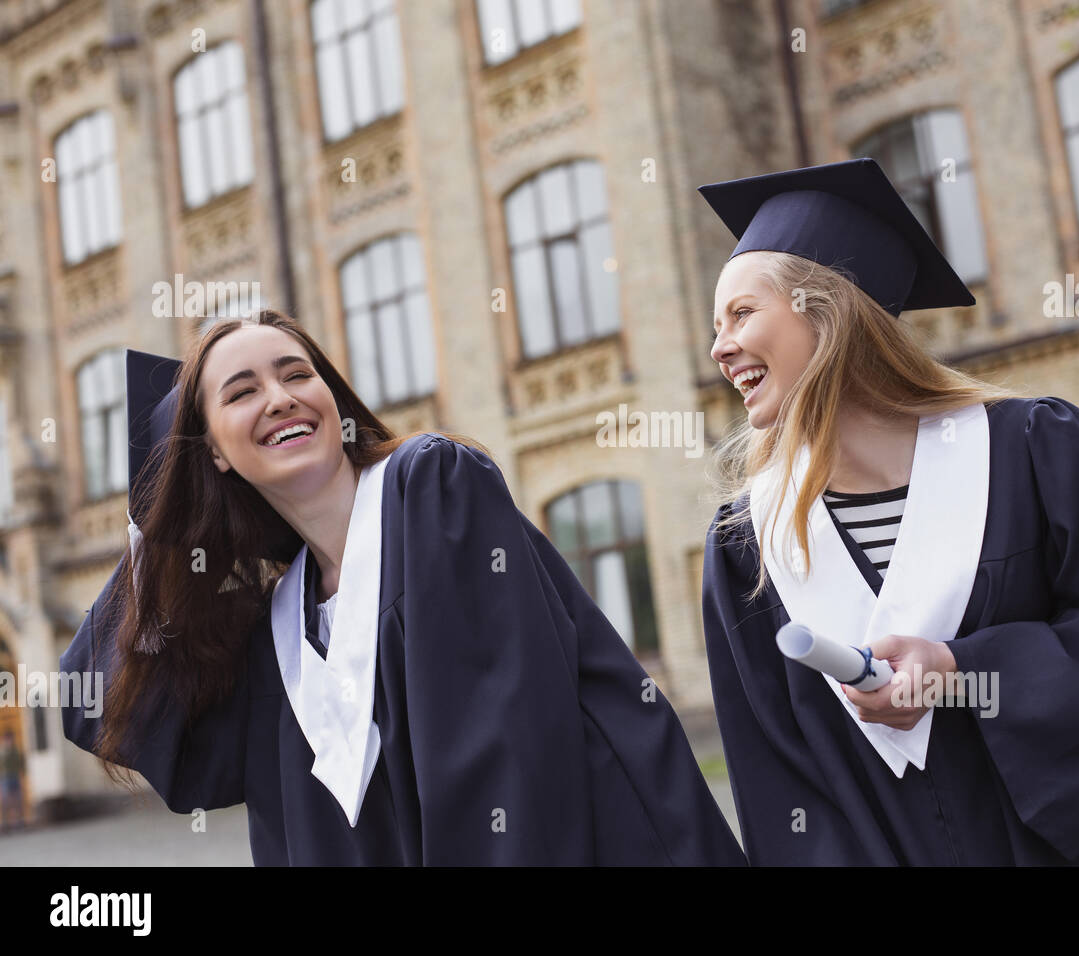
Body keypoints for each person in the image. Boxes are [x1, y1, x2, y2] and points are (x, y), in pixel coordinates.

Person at [59, 313, 745, 866]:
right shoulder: (284, 626)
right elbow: (124, 724)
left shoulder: (432, 488)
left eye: (298, 373)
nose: (280, 397)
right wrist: (154, 530)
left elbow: (505, 742)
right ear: (213, 453)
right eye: (241, 392)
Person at [697, 158, 1079, 865]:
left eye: (742, 313)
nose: (719, 348)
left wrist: (966, 672)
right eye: (716, 325)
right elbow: (779, 776)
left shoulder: (1035, 451)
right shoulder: (747, 542)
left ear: (828, 309)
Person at [0, 730, 24, 830]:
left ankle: (17, 822)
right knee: (5, 801)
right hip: (5, 778)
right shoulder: (2, 751)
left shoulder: (16, 750)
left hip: (15, 777)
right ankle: (5, 823)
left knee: (17, 800)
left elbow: (20, 763)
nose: (11, 741)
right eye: (9, 739)